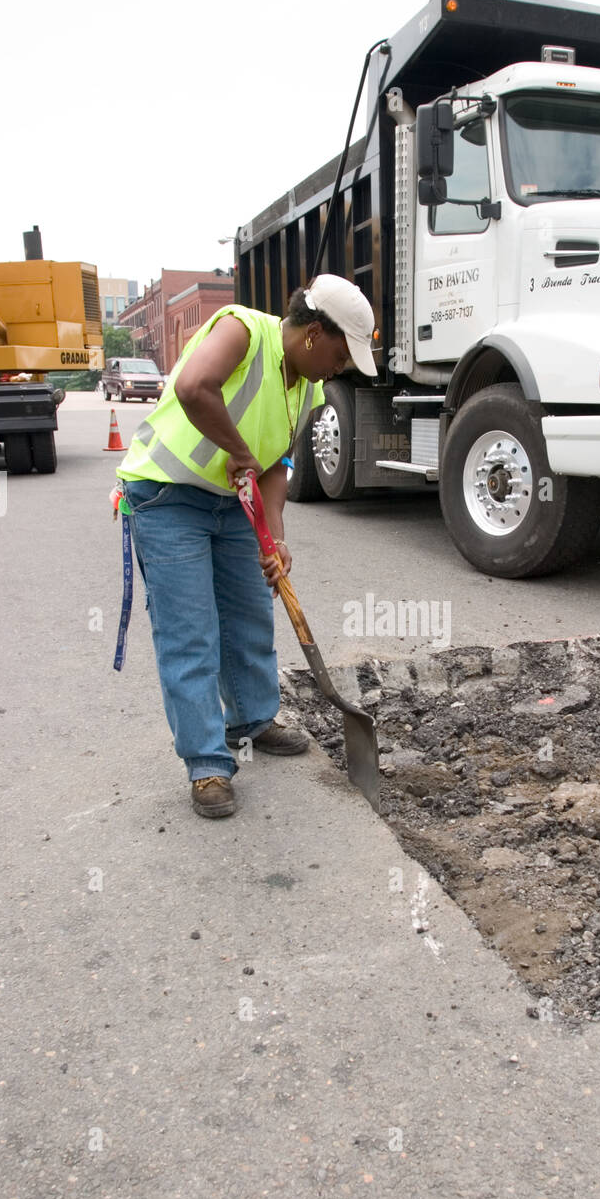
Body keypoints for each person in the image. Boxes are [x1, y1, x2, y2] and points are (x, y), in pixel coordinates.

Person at [115, 275, 378, 818]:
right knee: (191, 633)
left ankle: (253, 718)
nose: (342, 367)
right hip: (167, 498)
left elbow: (276, 465)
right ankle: (207, 763)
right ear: (312, 333)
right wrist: (237, 451)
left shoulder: (306, 387)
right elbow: (194, 388)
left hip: (234, 505)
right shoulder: (242, 330)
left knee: (250, 614)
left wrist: (275, 539)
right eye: (341, 352)